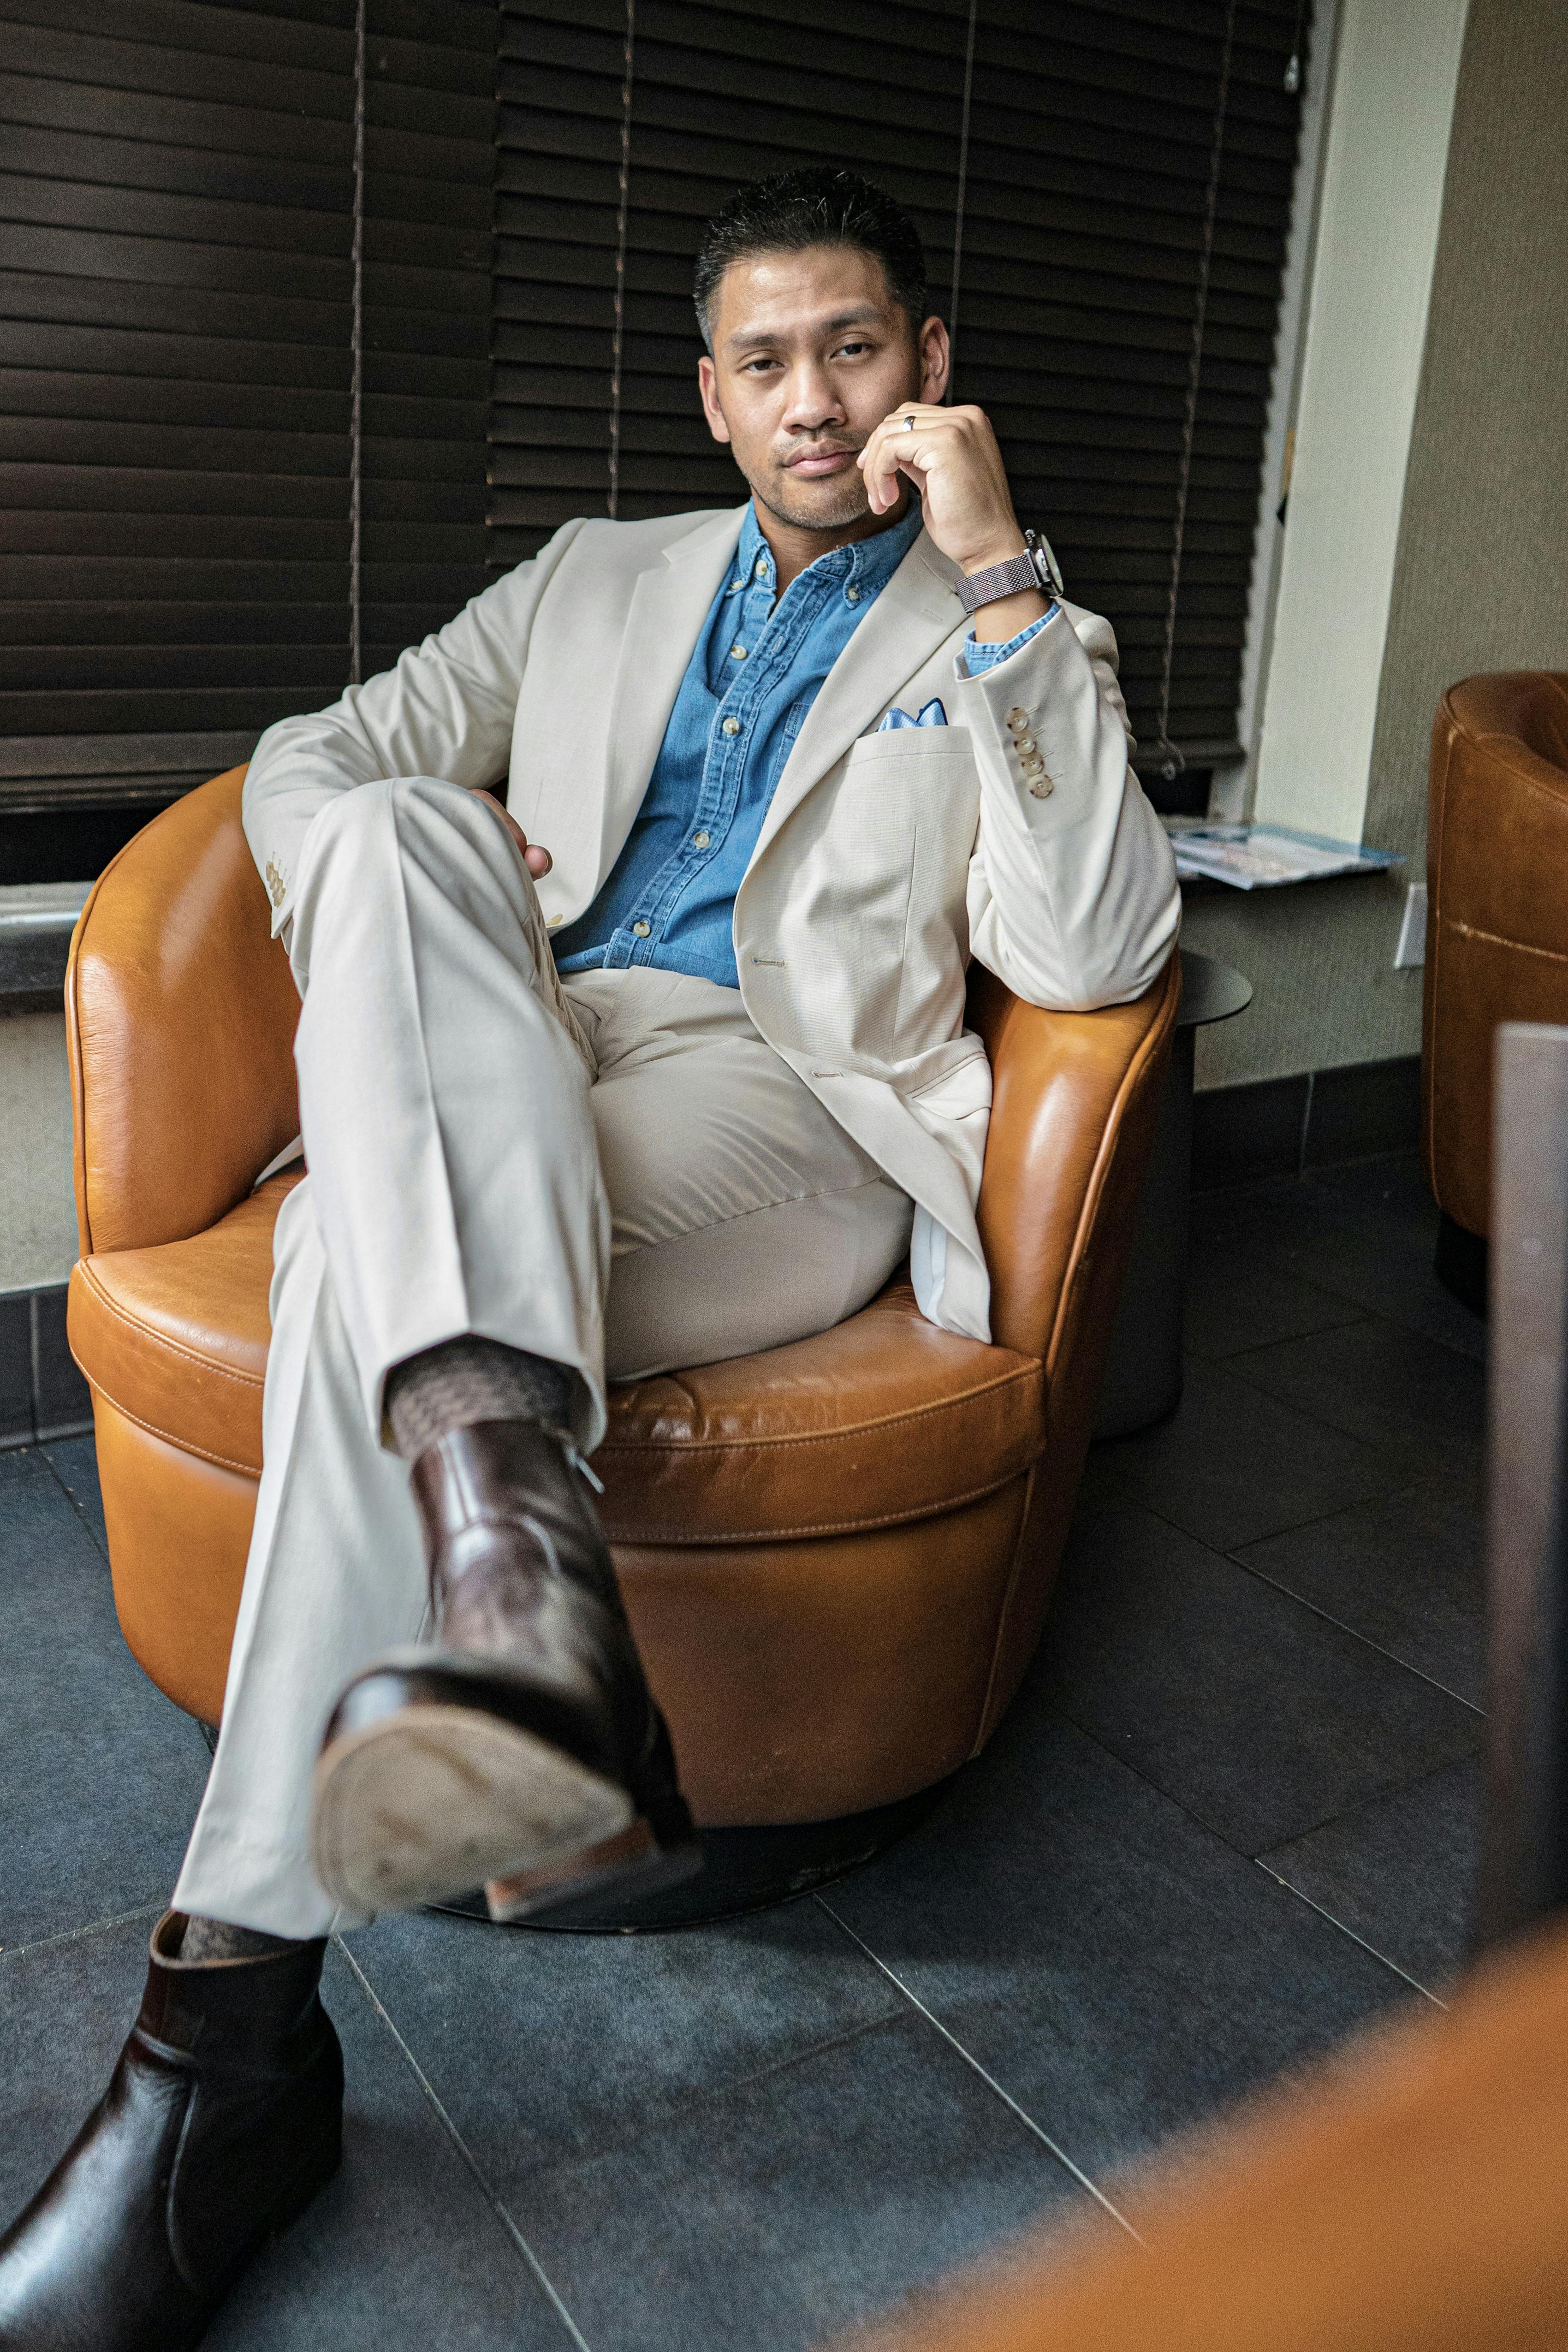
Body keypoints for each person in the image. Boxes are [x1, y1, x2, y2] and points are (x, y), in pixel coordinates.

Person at [0, 168, 1179, 2345]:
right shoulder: (589, 575)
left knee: (358, 1244)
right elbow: (313, 763)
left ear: (929, 368)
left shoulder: (1018, 632)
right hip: (517, 1046)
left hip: (780, 1110)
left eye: (855, 351)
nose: (814, 403)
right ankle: (517, 1618)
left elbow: (1099, 950)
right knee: (391, 823)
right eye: (766, 362)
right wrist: (428, 876)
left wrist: (1000, 573)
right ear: (710, 396)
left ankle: (225, 2043)